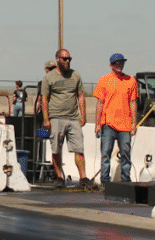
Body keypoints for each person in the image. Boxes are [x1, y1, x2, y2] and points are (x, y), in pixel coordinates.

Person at [41, 49, 88, 188]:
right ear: (58, 59)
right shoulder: (49, 78)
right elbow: (45, 99)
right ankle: (59, 177)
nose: (68, 61)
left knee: (78, 148)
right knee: (56, 148)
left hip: (73, 118)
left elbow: (81, 96)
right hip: (56, 117)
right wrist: (46, 119)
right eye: (65, 59)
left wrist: (83, 115)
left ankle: (83, 178)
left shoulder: (75, 75)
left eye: (69, 59)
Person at [93, 53, 138, 186]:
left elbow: (133, 103)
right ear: (111, 65)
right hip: (108, 124)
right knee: (106, 153)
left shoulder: (131, 80)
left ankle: (126, 180)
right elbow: (99, 103)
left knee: (125, 153)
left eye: (121, 63)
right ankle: (105, 181)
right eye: (117, 63)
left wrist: (134, 123)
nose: (120, 65)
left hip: (125, 125)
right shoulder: (104, 80)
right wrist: (97, 124)